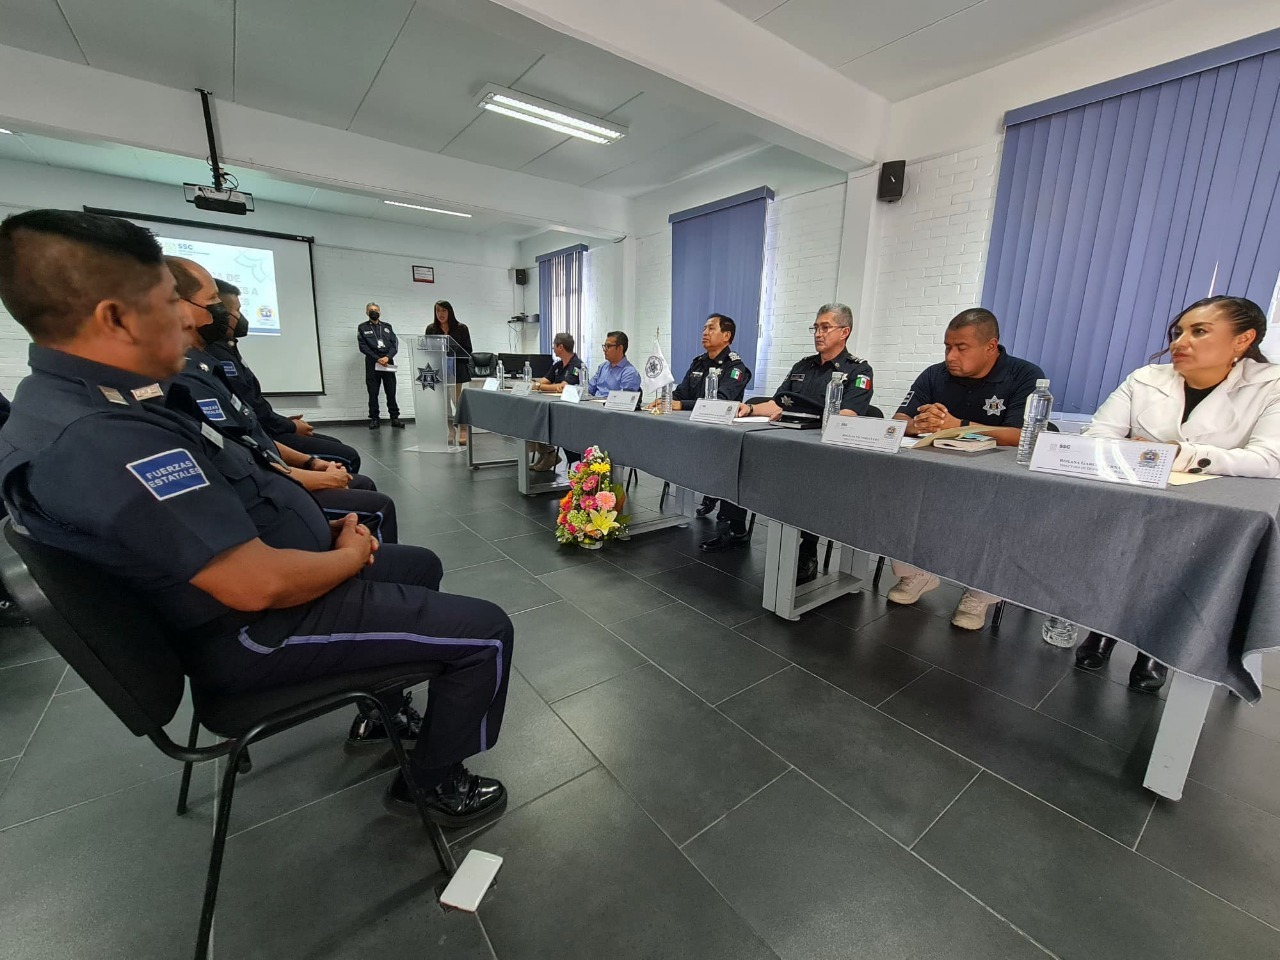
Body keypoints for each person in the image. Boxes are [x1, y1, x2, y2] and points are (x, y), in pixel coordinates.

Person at [0, 209, 511, 824]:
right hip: (251, 631)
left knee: (418, 565)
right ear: (115, 317)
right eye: (169, 302)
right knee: (487, 631)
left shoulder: (105, 403)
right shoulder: (102, 437)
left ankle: (383, 710)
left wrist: (317, 530)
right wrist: (347, 554)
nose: (190, 321)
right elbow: (255, 584)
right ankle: (434, 784)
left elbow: (228, 494)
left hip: (254, 599)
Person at [1074, 295, 1280, 692]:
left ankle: (1155, 648)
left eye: (1199, 332)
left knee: (1179, 566)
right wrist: (1144, 453)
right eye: (1178, 332)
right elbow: (1098, 434)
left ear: (1243, 339)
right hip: (1137, 498)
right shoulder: (1145, 378)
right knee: (1118, 557)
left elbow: (1270, 459)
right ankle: (1103, 629)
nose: (1179, 342)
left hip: (1214, 506)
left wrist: (1177, 453)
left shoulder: (1271, 385)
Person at [170, 260, 399, 544]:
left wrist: (310, 462)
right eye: (215, 301)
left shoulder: (211, 362)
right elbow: (247, 456)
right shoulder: (189, 377)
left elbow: (251, 428)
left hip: (272, 469)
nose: (234, 315)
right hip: (266, 498)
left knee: (346, 464)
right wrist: (312, 470)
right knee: (358, 477)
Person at [886, 308, 1046, 630]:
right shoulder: (934, 375)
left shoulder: (1024, 375)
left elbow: (1022, 435)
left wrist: (957, 426)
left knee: (1004, 512)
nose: (950, 356)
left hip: (996, 479)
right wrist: (916, 425)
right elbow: (899, 419)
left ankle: (981, 592)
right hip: (937, 473)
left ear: (991, 347)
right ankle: (917, 573)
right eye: (947, 347)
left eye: (961, 348)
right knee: (897, 488)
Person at [701, 303, 872, 586]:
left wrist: (804, 415)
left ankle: (807, 549)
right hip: (788, 443)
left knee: (807, 481)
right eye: (816, 327)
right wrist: (749, 409)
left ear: (845, 332)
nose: (818, 333)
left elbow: (847, 417)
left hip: (824, 454)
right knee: (741, 457)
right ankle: (734, 527)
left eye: (825, 327)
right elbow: (777, 403)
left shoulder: (857, 371)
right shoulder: (802, 366)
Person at [208, 279, 363, 472]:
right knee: (347, 456)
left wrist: (286, 422)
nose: (241, 317)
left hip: (264, 428)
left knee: (335, 445)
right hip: (259, 435)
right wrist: (289, 426)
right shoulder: (218, 355)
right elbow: (250, 409)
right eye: (237, 310)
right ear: (221, 313)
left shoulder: (229, 349)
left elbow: (253, 404)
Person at [650, 313, 752, 518]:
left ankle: (733, 522)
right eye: (704, 328)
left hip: (722, 437)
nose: (705, 332)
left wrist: (681, 405)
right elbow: (681, 392)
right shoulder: (698, 363)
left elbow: (720, 401)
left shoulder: (735, 367)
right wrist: (665, 400)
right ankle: (706, 496)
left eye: (711, 328)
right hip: (694, 430)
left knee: (729, 471)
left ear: (726, 336)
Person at [530, 331, 585, 472]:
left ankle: (549, 453)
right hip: (553, 406)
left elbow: (564, 388)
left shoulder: (577, 366)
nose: (553, 348)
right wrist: (540, 385)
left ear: (560, 347)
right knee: (534, 416)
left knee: (542, 420)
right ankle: (546, 453)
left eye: (554, 345)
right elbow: (544, 381)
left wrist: (539, 386)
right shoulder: (558, 365)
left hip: (569, 411)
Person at [425, 300, 473, 445]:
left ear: (450, 312)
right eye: (438, 311)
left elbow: (468, 350)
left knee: (457, 400)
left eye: (444, 311)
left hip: (456, 369)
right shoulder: (431, 329)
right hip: (439, 370)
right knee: (444, 403)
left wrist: (451, 349)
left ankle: (463, 429)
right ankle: (450, 429)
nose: (441, 314)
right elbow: (427, 349)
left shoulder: (461, 328)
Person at [358, 302, 403, 430]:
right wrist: (377, 358)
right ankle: (374, 419)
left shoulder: (387, 327)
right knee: (373, 392)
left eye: (376, 309)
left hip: (388, 362)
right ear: (367, 312)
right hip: (373, 363)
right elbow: (363, 347)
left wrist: (387, 357)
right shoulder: (362, 327)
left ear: (380, 312)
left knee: (391, 391)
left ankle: (394, 418)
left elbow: (394, 344)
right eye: (371, 310)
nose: (374, 311)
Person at [586, 331, 641, 398]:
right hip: (594, 402)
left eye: (608, 346)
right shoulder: (602, 367)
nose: (605, 350)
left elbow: (624, 399)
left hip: (611, 404)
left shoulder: (630, 373)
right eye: (605, 346)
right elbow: (589, 388)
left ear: (620, 348)